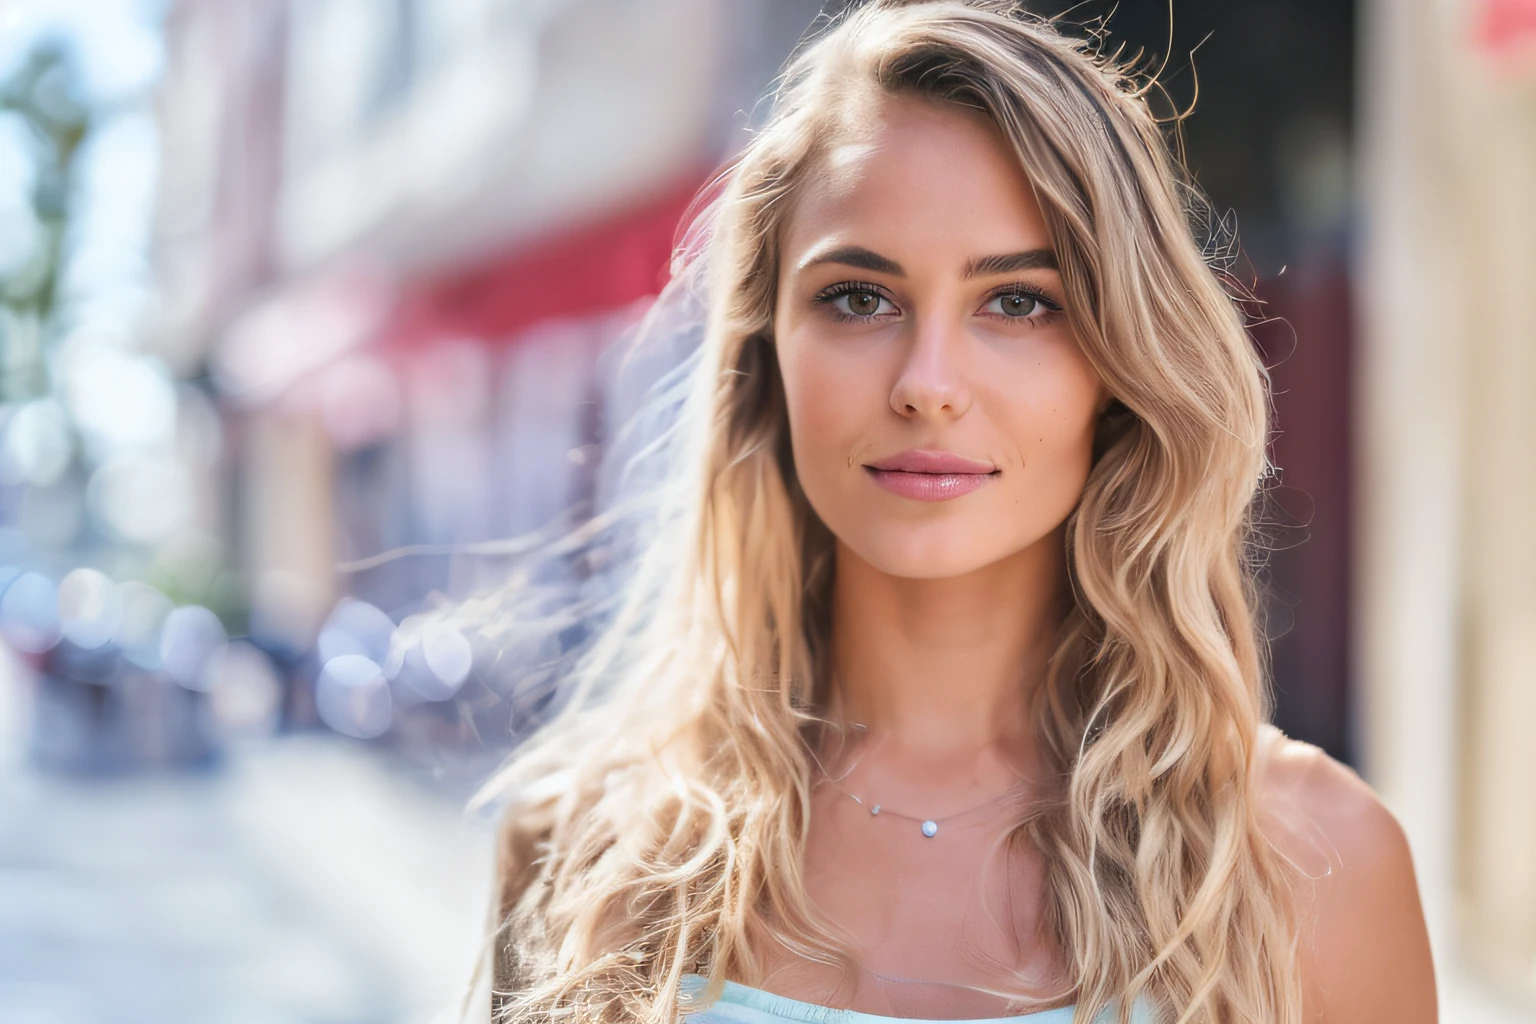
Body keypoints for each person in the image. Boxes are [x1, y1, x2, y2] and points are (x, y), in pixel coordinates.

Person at [447, 1, 1437, 1021]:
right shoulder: (583, 848)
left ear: (1118, 364)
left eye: (1017, 302)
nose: (927, 384)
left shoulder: (1315, 861)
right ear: (765, 354)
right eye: (858, 298)